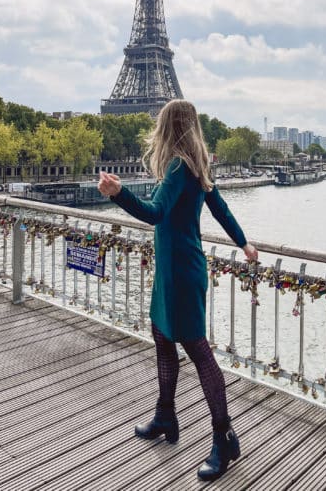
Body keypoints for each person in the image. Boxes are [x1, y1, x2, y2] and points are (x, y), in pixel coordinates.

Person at [98, 100, 258, 482]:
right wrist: (243, 243)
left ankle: (224, 438)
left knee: (198, 352)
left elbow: (155, 212)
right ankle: (166, 416)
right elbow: (220, 210)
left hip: (180, 275)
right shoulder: (197, 168)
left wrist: (118, 193)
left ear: (167, 128)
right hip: (177, 271)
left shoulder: (178, 167)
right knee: (163, 339)